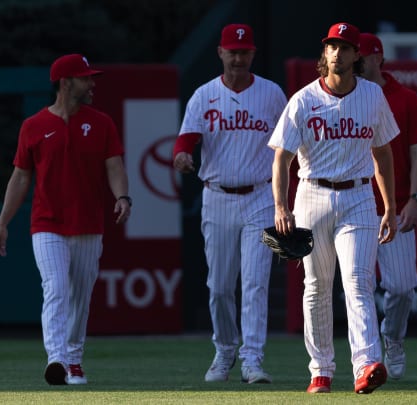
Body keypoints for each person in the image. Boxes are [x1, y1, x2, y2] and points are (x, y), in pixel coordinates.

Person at [268, 22, 399, 395]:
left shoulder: (373, 95)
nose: (337, 52)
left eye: (344, 46)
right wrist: (281, 205)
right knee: (316, 287)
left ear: (357, 55)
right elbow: (282, 158)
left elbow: (383, 152)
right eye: (331, 46)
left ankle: (367, 364)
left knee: (358, 281)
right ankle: (321, 370)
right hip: (312, 195)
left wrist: (389, 206)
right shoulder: (304, 99)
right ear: (324, 53)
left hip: (359, 195)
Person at [0, 54, 131, 385]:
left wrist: (122, 197)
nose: (92, 83)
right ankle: (57, 360)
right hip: (47, 223)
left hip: (88, 223)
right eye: (85, 78)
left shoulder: (101, 123)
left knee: (80, 294)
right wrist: (2, 223)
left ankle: (74, 360)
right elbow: (21, 178)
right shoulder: (34, 126)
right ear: (66, 83)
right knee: (55, 286)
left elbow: (114, 167)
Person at [172, 23, 286, 384]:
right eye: (232, 51)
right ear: (220, 53)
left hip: (260, 195)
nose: (238, 58)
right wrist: (182, 158)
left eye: (244, 51)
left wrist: (287, 200)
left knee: (254, 283)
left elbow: (289, 145)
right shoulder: (204, 96)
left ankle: (252, 358)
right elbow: (184, 142)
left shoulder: (271, 94)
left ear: (253, 54)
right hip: (217, 196)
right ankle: (225, 349)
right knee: (220, 285)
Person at [358, 32, 417, 380]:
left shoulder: (405, 98)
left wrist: (416, 199)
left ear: (378, 57)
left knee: (402, 286)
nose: (356, 61)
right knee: (357, 286)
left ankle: (393, 338)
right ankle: (368, 359)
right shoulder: (343, 95)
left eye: (362, 55)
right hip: (353, 204)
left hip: (397, 203)